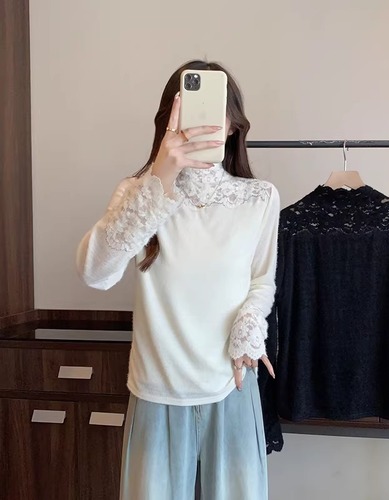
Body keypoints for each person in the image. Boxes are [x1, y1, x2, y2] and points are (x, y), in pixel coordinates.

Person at [76, 60, 279, 500]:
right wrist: (159, 180)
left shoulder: (259, 198)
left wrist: (249, 327)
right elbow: (95, 273)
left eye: (215, 113)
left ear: (232, 125)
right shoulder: (137, 192)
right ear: (169, 121)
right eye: (190, 113)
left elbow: (262, 282)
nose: (203, 125)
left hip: (231, 387)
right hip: (156, 391)